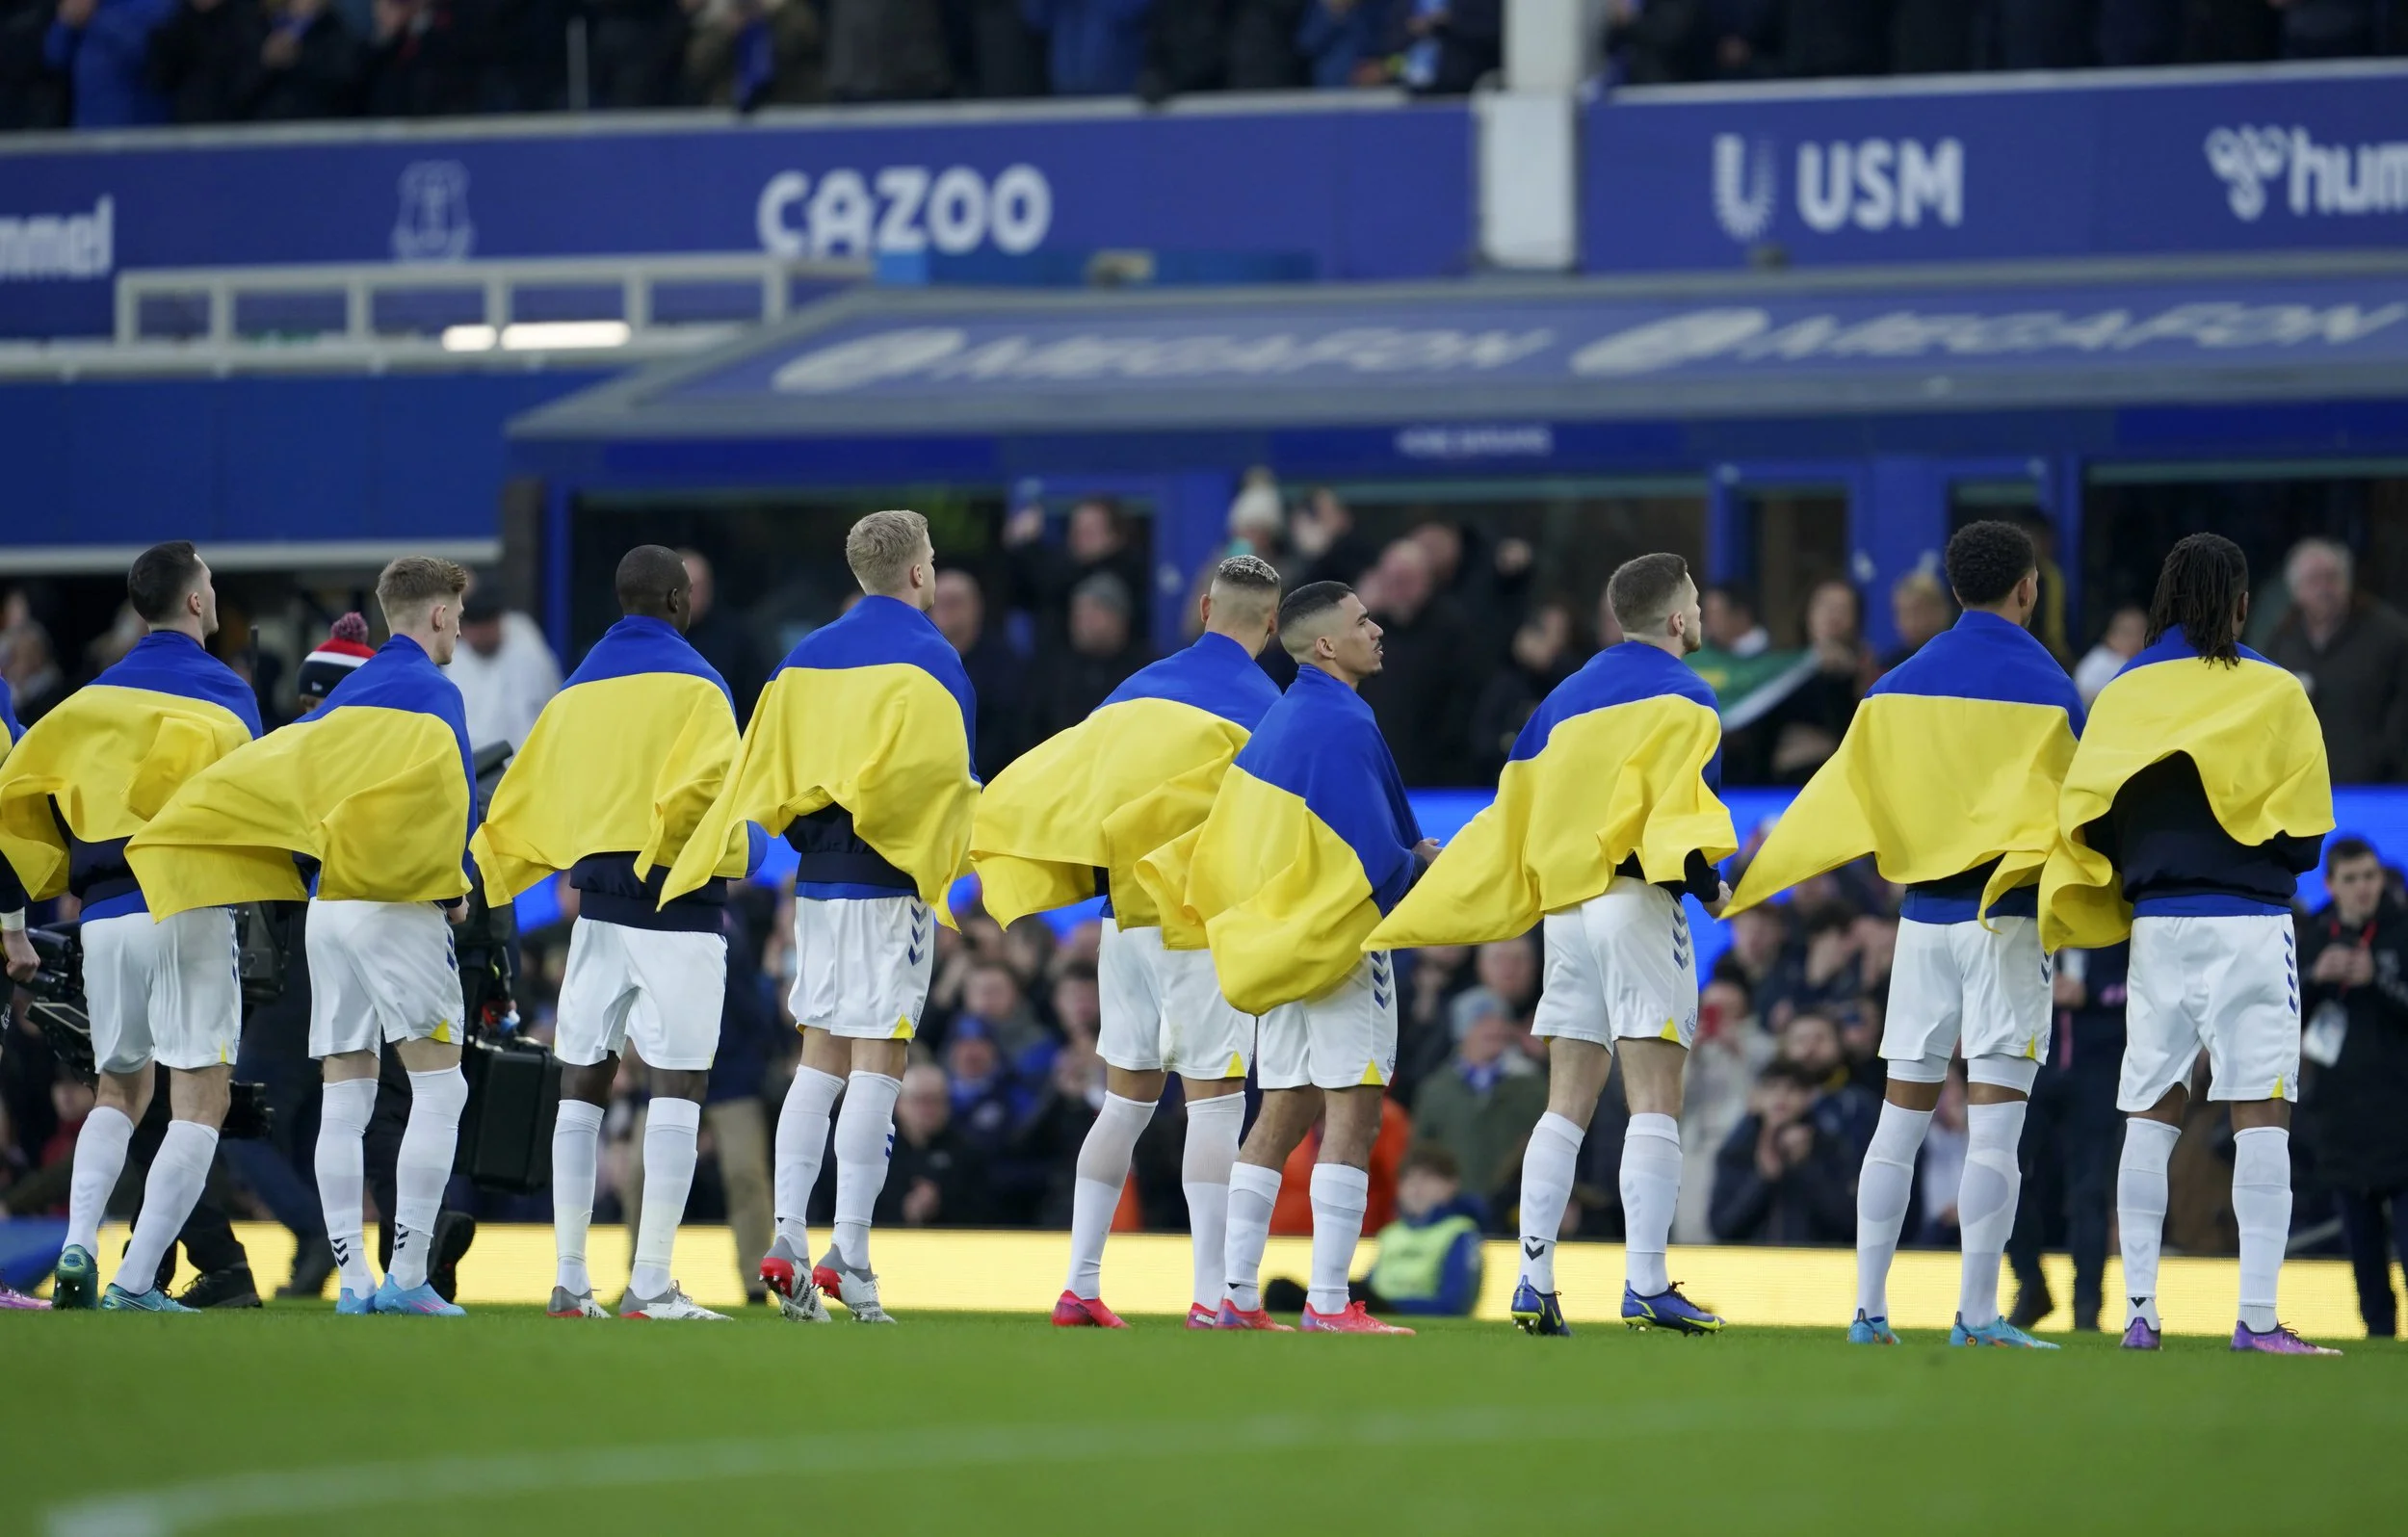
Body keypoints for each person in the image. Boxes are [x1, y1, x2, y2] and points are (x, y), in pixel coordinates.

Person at [1731, 520, 2082, 1348]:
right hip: (2007, 920)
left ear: (1955, 589)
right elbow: (2083, 820)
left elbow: (1832, 801)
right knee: (1996, 1127)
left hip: (1922, 923)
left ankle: (1868, 1311)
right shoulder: (2054, 688)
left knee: (1900, 1119)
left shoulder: (1892, 687)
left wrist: (1749, 882)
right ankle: (1976, 1315)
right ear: (2028, 589)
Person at [1373, 552, 1735, 1338]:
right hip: (1635, 901)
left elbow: (1515, 805)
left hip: (1566, 912)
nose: (1701, 614)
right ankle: (1645, 1283)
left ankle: (1534, 1281)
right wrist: (1712, 888)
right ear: (1677, 619)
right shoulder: (1690, 698)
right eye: (1697, 603)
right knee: (1655, 1098)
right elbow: (1677, 819)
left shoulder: (1562, 700)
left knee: (1566, 1100)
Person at [127, 556, 482, 1316]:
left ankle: (354, 1283)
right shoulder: (434, 694)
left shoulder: (346, 698)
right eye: (455, 612)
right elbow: (453, 801)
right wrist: (454, 882)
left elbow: (281, 773)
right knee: (440, 1086)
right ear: (442, 616)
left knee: (345, 1098)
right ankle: (409, 1276)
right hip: (397, 908)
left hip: (330, 912)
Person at [665, 509, 980, 1325]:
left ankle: (785, 1239)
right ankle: (854, 1252)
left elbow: (767, 767)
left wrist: (813, 832)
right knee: (880, 1061)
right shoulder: (934, 660)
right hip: (888, 885)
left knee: (818, 1061)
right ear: (918, 574)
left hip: (819, 884)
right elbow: (945, 784)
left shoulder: (803, 658)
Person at [2040, 533, 2339, 1354]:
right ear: (2243, 604)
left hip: (2159, 926)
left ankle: (2140, 1312)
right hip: (2251, 922)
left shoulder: (2123, 694)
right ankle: (2256, 1319)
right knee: (2262, 1118)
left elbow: (2087, 813)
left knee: (2149, 1111)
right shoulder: (2277, 691)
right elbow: (2309, 833)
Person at [970, 554, 1283, 1329]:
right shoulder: (1269, 704)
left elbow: (1071, 780)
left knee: (1124, 1102)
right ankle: (1214, 1298)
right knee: (1216, 1104)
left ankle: (1080, 1284)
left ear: (1204, 606)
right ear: (1272, 627)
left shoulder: (1134, 690)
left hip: (1123, 922)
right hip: (1202, 922)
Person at [471, 545, 762, 1321]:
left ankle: (570, 1279)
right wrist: (753, 847)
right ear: (675, 600)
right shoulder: (700, 686)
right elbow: (712, 805)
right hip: (679, 910)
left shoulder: (575, 692)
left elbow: (531, 795)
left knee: (584, 1077)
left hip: (595, 911)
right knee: (681, 1081)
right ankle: (652, 1283)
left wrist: (496, 874)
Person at [1153, 581, 1433, 1333]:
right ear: (1325, 646)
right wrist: (1426, 864)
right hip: (1339, 946)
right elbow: (1374, 852)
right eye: (1362, 621)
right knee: (1355, 1110)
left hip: (1280, 951)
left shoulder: (1280, 722)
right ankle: (1332, 1302)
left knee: (1279, 1113)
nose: (1378, 629)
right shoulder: (1344, 721)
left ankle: (1234, 1297)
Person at [0, 542, 262, 1312]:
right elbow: (255, 802)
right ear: (192, 602)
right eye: (210, 586)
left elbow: (15, 787)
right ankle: (136, 1280)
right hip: (187, 903)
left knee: (118, 1090)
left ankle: (79, 1247)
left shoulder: (88, 701)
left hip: (102, 916)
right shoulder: (227, 695)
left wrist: (37, 888)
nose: (215, 598)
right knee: (200, 1099)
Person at [2296, 837, 2408, 1338]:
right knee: (2361, 1245)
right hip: (2338, 1115)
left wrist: (2380, 983)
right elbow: (2283, 1015)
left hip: (2401, 1110)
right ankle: (2379, 1336)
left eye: (2370, 877)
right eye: (2351, 879)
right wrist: (2316, 979)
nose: (2363, 888)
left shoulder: (2403, 933)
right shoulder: (2314, 935)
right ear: (2331, 884)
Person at [2264, 537, 2408, 784]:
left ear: (2348, 581)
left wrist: (2385, 758)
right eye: (2313, 580)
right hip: (2304, 787)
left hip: (2380, 788)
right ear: (2295, 590)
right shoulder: (2281, 641)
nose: (2324, 588)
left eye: (2331, 578)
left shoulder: (2390, 635)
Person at [1708, 1059, 1858, 1244]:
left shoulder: (1832, 1148)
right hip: (1752, 1267)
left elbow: (1848, 1224)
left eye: (1792, 1089)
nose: (1781, 1096)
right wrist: (1764, 1180)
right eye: (1771, 1088)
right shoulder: (1737, 1150)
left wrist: (1804, 1167)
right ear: (1755, 1097)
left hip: (1815, 1267)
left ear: (1809, 1097)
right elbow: (1722, 1228)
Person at [445, 579, 561, 754]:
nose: (482, 633)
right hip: (478, 772)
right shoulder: (454, 662)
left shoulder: (525, 642)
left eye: (488, 623)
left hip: (530, 766)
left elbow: (554, 703)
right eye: (476, 626)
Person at [2074, 605, 2147, 707]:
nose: (2137, 640)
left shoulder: (2144, 661)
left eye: (2142, 632)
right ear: (2111, 637)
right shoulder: (2100, 661)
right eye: (2128, 633)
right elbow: (2084, 695)